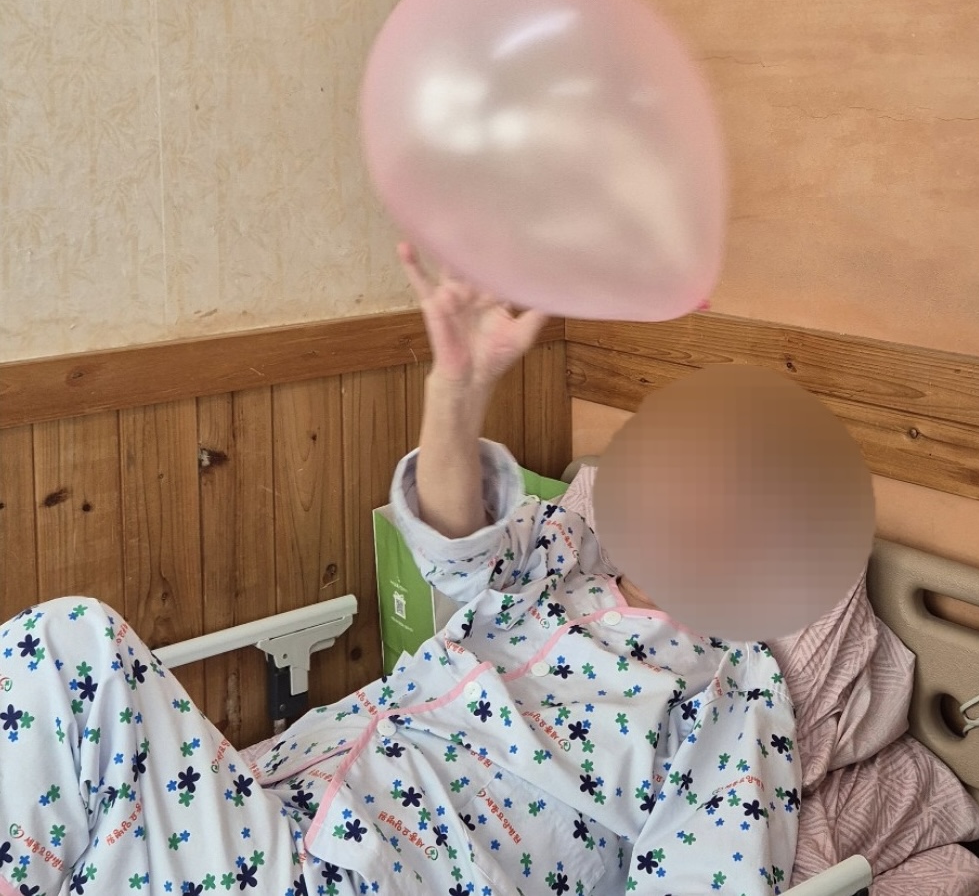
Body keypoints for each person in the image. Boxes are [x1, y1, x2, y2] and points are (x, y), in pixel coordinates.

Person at [0, 245, 800, 896]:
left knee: (71, 646)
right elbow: (455, 545)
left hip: (361, 872)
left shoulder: (724, 690)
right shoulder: (564, 554)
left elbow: (706, 875)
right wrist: (455, 387)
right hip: (253, 812)